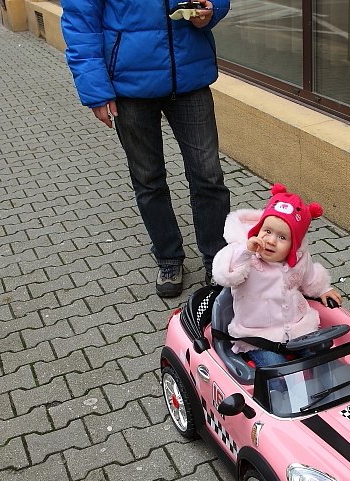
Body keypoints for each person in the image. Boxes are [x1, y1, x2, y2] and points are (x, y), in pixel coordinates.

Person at [61, 0, 232, 298]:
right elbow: (80, 23)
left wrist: (212, 9)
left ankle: (218, 260)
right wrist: (95, 89)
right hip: (129, 87)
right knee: (148, 179)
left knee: (209, 176)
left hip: (189, 77)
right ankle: (168, 257)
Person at [211, 184, 343, 368]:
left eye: (282, 237)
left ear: (294, 244)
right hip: (259, 336)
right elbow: (225, 273)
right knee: (278, 371)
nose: (271, 241)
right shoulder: (246, 256)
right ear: (258, 229)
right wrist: (246, 251)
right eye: (267, 231)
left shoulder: (299, 258)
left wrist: (323, 289)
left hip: (298, 326)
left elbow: (310, 277)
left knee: (324, 358)